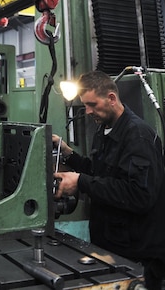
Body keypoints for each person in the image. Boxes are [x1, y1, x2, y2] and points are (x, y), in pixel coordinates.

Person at [53, 70, 165, 290]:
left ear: (111, 98)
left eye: (92, 104)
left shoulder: (138, 137)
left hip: (138, 256)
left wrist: (80, 182)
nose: (87, 111)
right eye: (85, 105)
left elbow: (140, 195)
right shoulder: (104, 130)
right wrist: (67, 153)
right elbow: (100, 174)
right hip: (112, 247)